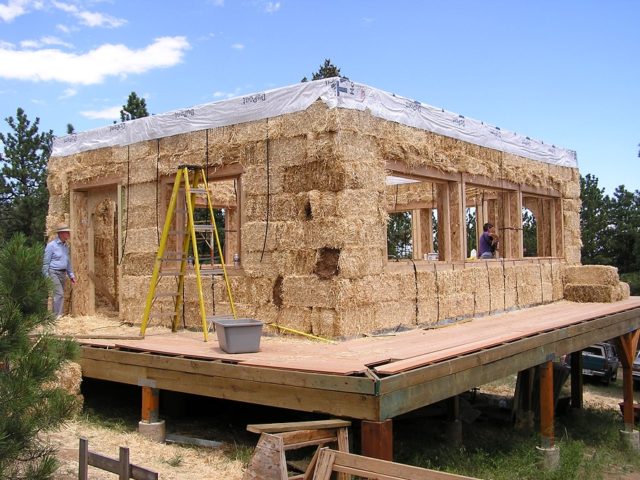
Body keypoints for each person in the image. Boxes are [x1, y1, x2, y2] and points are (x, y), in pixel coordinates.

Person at [43, 224, 77, 318]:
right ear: (61, 233)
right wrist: (46, 275)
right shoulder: (51, 246)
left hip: (63, 273)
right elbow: (46, 262)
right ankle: (58, 316)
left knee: (58, 294)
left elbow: (67, 261)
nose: (69, 234)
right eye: (67, 232)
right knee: (59, 293)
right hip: (53, 272)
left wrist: (71, 275)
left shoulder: (66, 246)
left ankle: (54, 316)